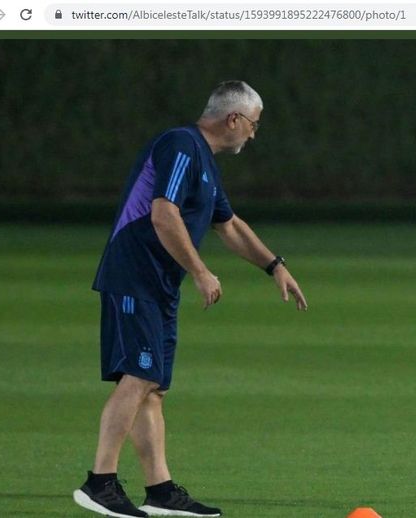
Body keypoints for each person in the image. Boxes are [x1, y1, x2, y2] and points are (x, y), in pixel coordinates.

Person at [73, 80, 308, 518]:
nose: (253, 135)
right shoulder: (181, 145)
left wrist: (275, 265)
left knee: (154, 389)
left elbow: (229, 225)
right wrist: (200, 271)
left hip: (159, 287)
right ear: (233, 119)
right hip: (134, 279)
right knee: (139, 378)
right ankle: (99, 483)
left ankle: (159, 489)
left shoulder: (206, 163)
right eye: (253, 125)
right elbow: (164, 213)